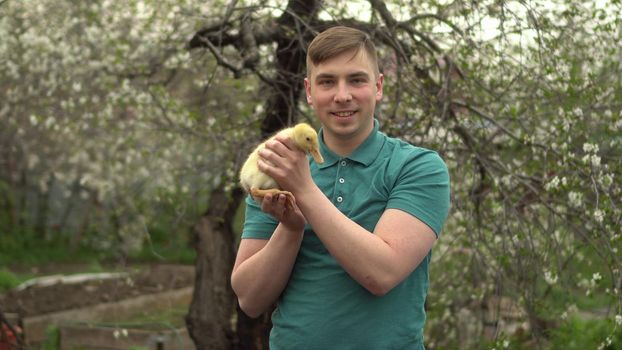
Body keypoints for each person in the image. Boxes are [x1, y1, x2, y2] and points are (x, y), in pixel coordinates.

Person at [231, 26, 450, 349]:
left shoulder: (418, 168)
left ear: (378, 87)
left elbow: (381, 273)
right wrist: (291, 229)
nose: (342, 95)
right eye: (327, 81)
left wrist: (303, 190)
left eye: (357, 80)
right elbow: (249, 298)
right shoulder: (277, 166)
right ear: (309, 91)